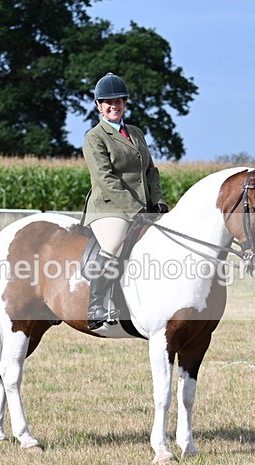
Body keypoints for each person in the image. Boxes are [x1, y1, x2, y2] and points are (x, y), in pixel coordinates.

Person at [82, 72, 168, 330]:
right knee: (113, 244)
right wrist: (135, 208)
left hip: (143, 206)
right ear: (99, 106)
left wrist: (158, 201)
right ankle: (96, 305)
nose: (114, 106)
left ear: (125, 103)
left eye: (118, 101)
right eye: (108, 102)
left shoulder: (136, 133)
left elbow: (150, 170)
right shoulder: (95, 137)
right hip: (110, 208)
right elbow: (104, 179)